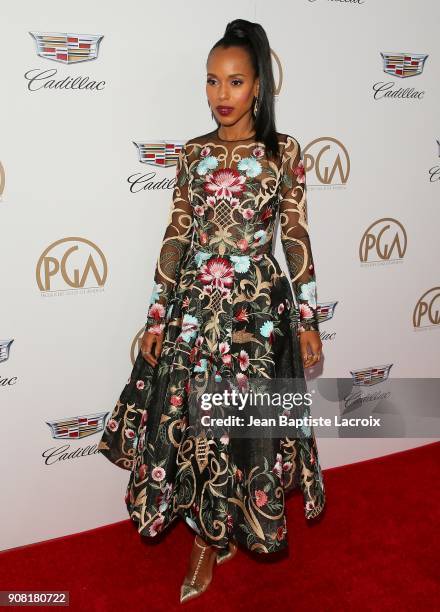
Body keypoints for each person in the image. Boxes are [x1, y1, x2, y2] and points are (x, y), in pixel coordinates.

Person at [98, 17, 326, 604]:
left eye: (235, 82)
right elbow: (176, 236)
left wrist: (309, 322)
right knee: (197, 428)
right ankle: (204, 541)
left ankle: (234, 524)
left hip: (257, 318)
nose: (221, 95)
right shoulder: (193, 154)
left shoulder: (284, 152)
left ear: (259, 87)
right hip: (196, 312)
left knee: (242, 431)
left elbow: (296, 237)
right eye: (211, 82)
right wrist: (155, 317)